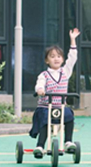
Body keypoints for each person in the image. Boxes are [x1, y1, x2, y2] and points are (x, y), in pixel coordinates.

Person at [30, 28, 80, 158]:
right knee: (45, 119)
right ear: (47, 60)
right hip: (45, 107)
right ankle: (40, 146)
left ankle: (68, 141)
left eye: (58, 56)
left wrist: (73, 40)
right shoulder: (44, 75)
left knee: (69, 114)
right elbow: (39, 85)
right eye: (52, 57)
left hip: (60, 107)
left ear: (62, 59)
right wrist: (40, 90)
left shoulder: (65, 72)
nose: (56, 59)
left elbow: (73, 58)